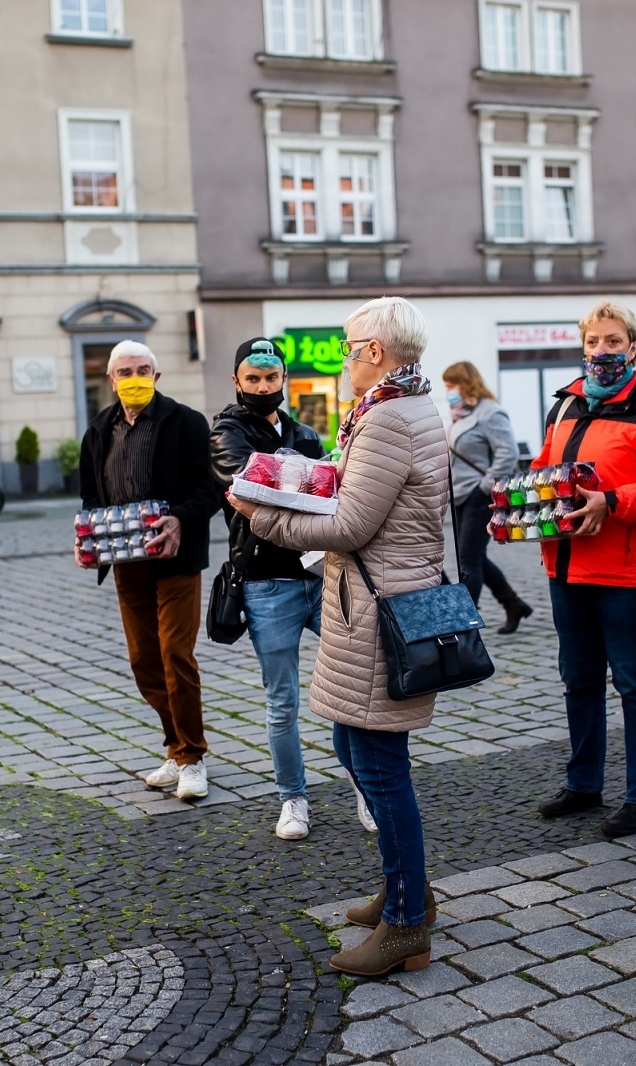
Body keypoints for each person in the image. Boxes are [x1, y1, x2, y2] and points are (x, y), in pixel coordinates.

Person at [227, 296, 447, 977]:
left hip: (380, 605)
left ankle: (407, 924)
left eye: (351, 348)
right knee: (356, 746)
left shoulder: (388, 418)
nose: (347, 359)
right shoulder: (400, 405)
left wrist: (262, 516)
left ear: (376, 351)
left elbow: (350, 526)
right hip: (374, 600)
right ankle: (407, 890)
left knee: (378, 762)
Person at [532, 301, 636, 838]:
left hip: (626, 572)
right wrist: (520, 507)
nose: (602, 350)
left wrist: (613, 501)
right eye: (593, 341)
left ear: (633, 347)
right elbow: (545, 471)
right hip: (566, 565)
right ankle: (583, 783)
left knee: (635, 684)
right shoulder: (565, 405)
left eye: (613, 341)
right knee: (578, 680)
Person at [210, 337, 375, 840]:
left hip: (321, 575)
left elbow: (329, 490)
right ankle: (293, 798)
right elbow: (250, 484)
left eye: (271, 377)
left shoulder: (302, 431)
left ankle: (367, 786)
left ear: (284, 379)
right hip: (266, 585)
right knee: (282, 701)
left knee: (352, 686)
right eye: (253, 378)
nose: (263, 386)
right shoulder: (226, 432)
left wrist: (312, 480)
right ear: (236, 381)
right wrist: (310, 479)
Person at [79, 340, 220, 800]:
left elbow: (211, 487)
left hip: (176, 558)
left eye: (143, 370)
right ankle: (176, 747)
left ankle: (193, 757)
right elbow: (91, 496)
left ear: (156, 376)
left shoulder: (186, 422)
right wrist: (91, 536)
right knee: (145, 662)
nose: (134, 378)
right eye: (125, 372)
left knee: (175, 654)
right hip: (127, 563)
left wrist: (179, 519)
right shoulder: (99, 430)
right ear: (111, 379)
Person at [443, 360, 532, 633]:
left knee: (468, 560)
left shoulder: (490, 412)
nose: (448, 391)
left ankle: (463, 625)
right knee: (474, 556)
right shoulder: (460, 414)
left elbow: (508, 453)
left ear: (466, 383)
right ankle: (513, 604)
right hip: (460, 494)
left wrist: (484, 486)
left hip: (480, 496)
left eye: (451, 385)